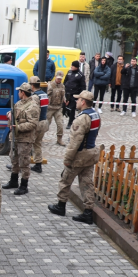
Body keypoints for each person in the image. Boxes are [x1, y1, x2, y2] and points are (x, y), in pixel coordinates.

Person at [48, 90, 101, 224]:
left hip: (80, 155)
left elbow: (74, 143)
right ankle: (88, 212)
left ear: (83, 102)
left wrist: (67, 160)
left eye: (78, 100)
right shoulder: (95, 114)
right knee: (87, 182)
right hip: (91, 152)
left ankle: (61, 206)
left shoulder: (82, 118)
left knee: (65, 179)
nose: (76, 101)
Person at [3, 82, 39, 195]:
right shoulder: (19, 103)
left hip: (25, 139)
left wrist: (18, 127)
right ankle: (13, 181)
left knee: (24, 162)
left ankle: (24, 185)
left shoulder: (33, 106)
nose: (18, 93)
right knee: (14, 159)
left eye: (19, 91)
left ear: (22, 92)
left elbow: (33, 124)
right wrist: (9, 114)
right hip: (15, 137)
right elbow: (14, 112)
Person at [29, 77, 49, 174]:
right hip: (44, 122)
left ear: (32, 85)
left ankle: (21, 165)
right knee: (37, 143)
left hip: (37, 123)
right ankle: (38, 165)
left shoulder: (35, 96)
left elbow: (34, 111)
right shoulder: (44, 94)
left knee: (28, 143)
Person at [64, 61, 86, 129]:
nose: (71, 67)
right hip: (67, 93)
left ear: (76, 67)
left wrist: (80, 96)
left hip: (75, 94)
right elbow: (65, 81)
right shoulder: (69, 72)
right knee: (65, 108)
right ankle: (71, 117)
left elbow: (83, 86)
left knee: (72, 109)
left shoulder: (80, 75)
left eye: (72, 66)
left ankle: (70, 122)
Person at [47, 71, 66, 147]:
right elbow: (46, 95)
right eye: (58, 79)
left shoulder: (62, 86)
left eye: (60, 79)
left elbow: (63, 94)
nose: (59, 80)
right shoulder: (50, 85)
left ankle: (59, 139)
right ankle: (39, 137)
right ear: (55, 77)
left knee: (60, 124)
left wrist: (64, 99)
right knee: (46, 125)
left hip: (58, 108)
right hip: (50, 108)